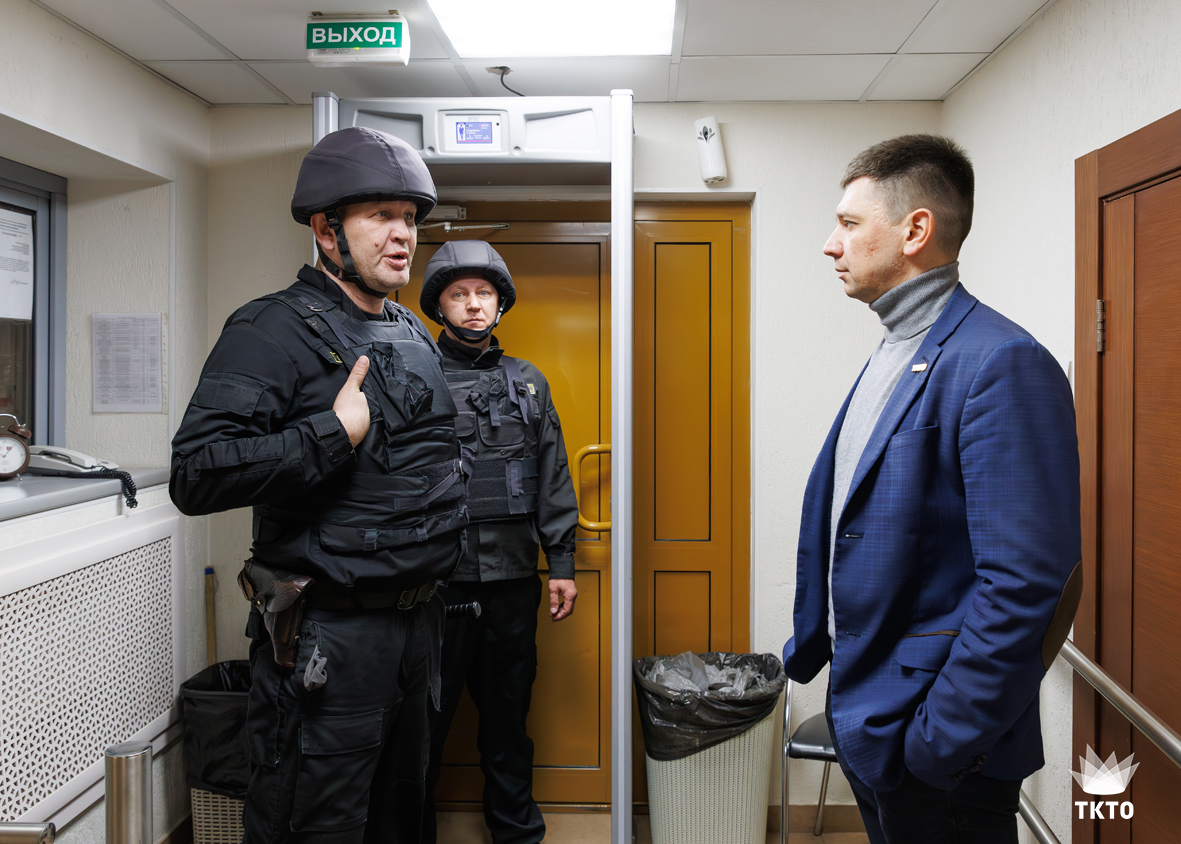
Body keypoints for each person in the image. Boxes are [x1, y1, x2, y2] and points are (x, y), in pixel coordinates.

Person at [170, 127, 468, 844]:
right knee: (315, 826)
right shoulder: (269, 329)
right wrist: (330, 433)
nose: (402, 235)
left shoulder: (411, 332)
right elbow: (196, 472)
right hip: (328, 639)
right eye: (380, 216)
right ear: (326, 230)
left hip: (417, 631)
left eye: (410, 217)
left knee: (400, 822)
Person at [781, 134, 1082, 844]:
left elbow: (1025, 584)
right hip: (873, 716)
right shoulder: (901, 345)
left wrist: (936, 743)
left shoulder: (1001, 361)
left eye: (849, 223)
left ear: (914, 230)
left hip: (937, 751)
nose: (830, 244)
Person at [417, 240, 579, 844]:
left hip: (511, 584)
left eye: (483, 293)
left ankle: (517, 835)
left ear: (500, 302)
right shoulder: (415, 378)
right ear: (439, 306)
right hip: (432, 587)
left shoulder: (528, 383)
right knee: (421, 728)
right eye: (459, 294)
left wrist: (561, 563)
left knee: (508, 725)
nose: (473, 304)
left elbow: (552, 474)